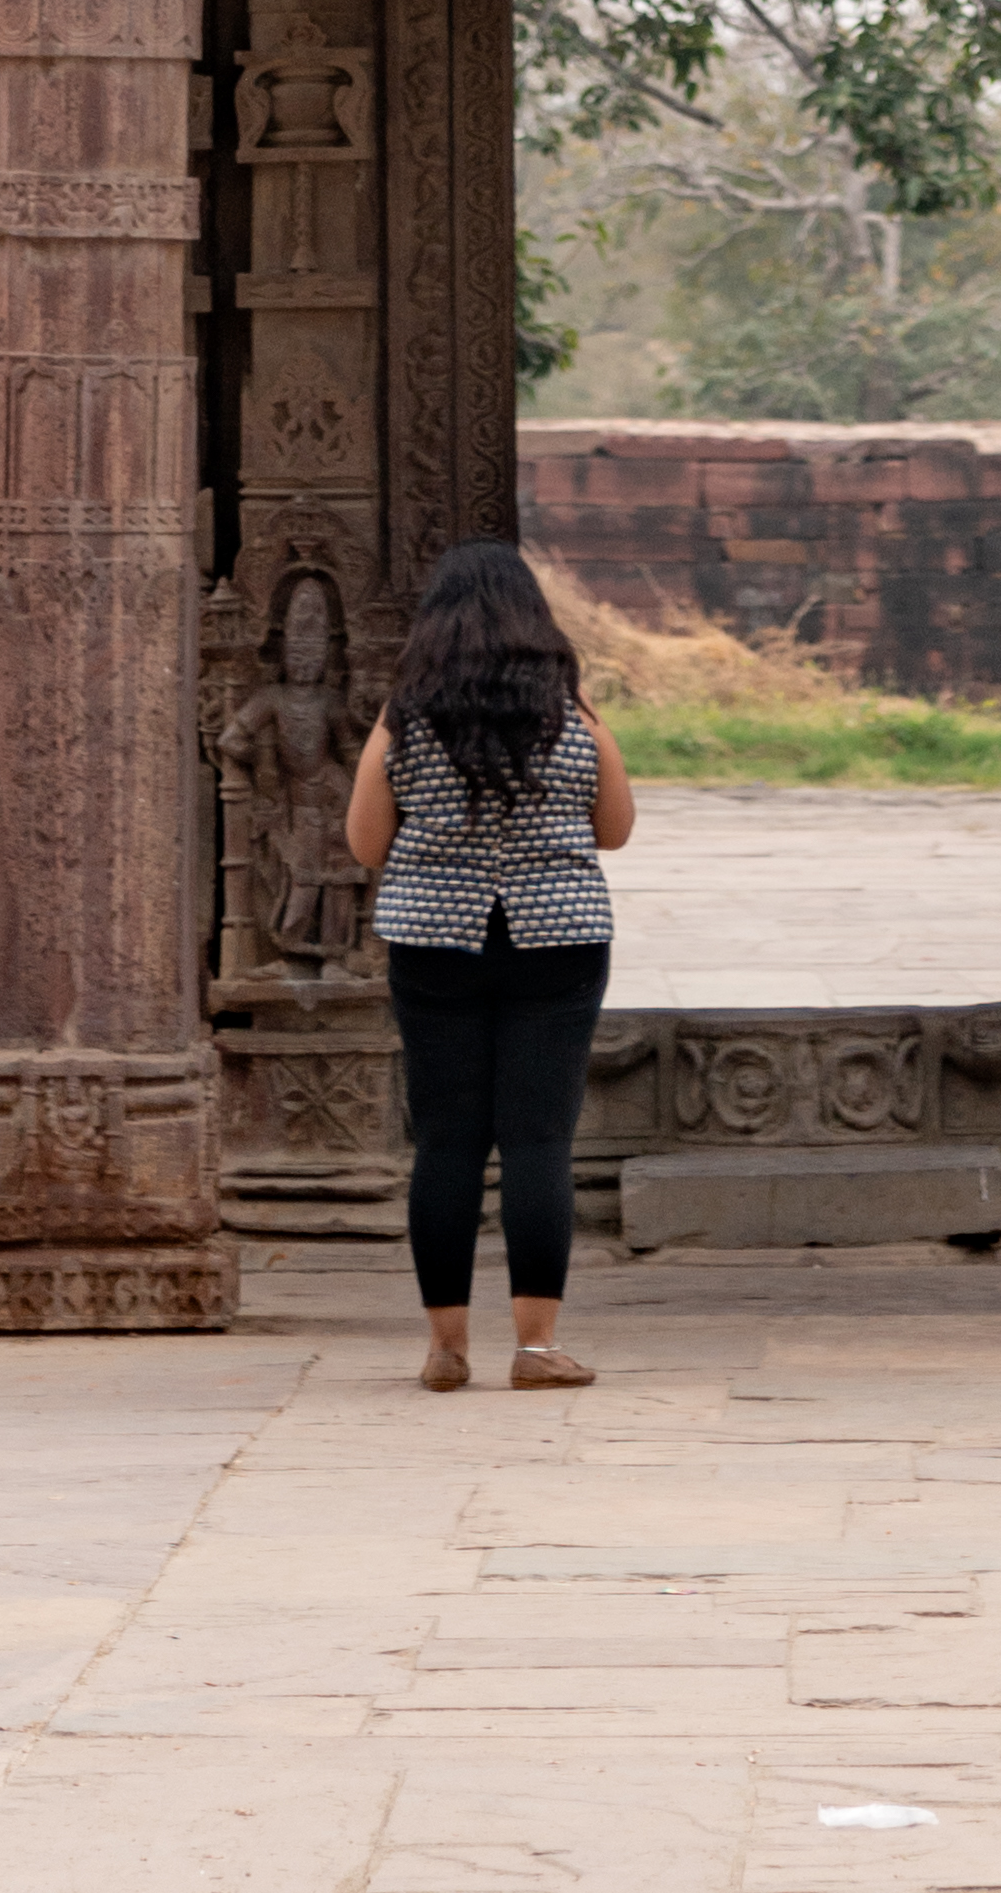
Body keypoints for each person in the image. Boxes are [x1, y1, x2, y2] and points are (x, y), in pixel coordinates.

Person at [346, 535, 636, 1392]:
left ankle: (446, 1349)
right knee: (539, 1139)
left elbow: (365, 843)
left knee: (447, 1143)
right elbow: (614, 830)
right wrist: (584, 711)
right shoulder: (571, 716)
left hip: (435, 943)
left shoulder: (407, 715)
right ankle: (538, 1349)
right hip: (559, 943)